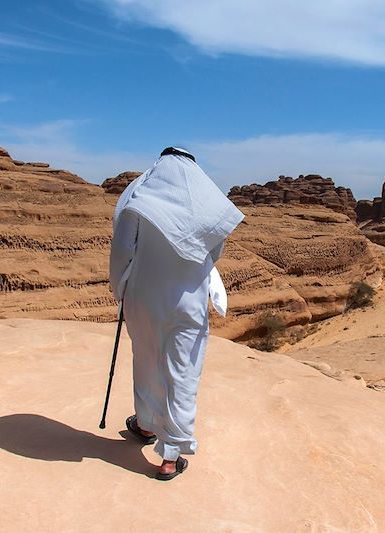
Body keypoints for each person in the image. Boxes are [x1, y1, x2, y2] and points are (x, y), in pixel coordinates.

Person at [109, 147, 243, 481]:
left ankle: (144, 424)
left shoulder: (139, 196)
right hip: (189, 302)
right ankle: (170, 458)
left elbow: (123, 249)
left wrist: (119, 288)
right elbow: (214, 250)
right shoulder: (206, 201)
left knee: (146, 359)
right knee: (183, 373)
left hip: (143, 297)